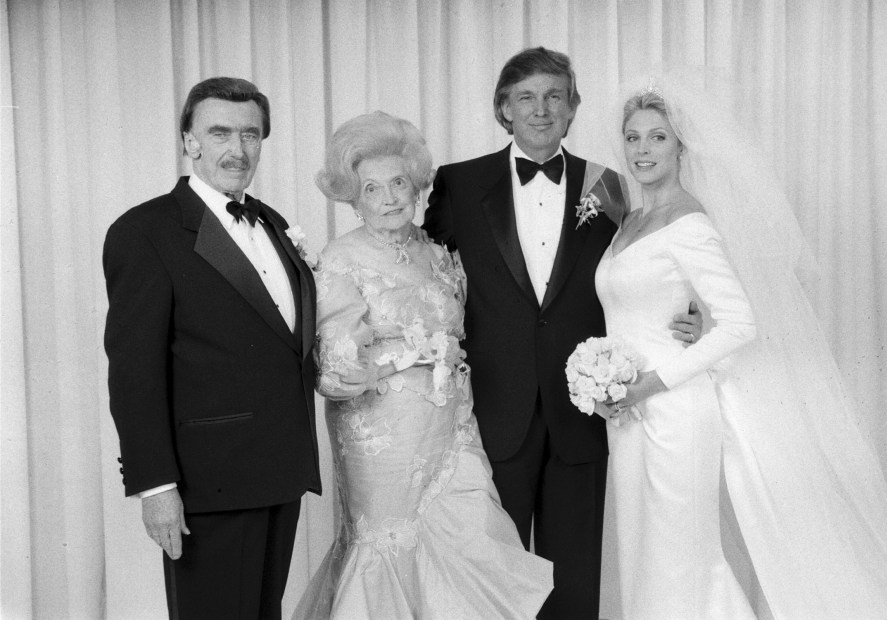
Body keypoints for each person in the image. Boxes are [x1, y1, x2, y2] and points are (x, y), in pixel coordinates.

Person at [595, 75, 887, 618]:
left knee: (681, 557)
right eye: (634, 137)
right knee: (640, 551)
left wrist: (647, 384)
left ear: (682, 145)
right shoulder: (632, 221)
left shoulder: (690, 221)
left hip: (673, 408)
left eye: (658, 137)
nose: (643, 150)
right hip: (626, 414)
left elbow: (740, 324)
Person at [423, 47, 702, 619]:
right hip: (493, 411)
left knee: (574, 578)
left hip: (587, 410)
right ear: (504, 110)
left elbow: (650, 264)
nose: (542, 109)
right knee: (492, 575)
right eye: (526, 98)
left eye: (555, 96)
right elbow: (425, 276)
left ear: (574, 108)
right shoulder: (457, 183)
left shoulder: (612, 188)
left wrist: (693, 308)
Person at [293, 111, 553, 619]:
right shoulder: (342, 259)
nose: (389, 198)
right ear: (353, 195)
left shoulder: (437, 253)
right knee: (391, 546)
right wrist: (406, 357)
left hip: (451, 427)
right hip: (382, 434)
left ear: (416, 185)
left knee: (473, 532)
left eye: (398, 183)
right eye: (372, 188)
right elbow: (333, 368)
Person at [103, 77, 322, 619]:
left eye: (250, 134)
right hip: (208, 482)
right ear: (189, 140)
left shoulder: (270, 220)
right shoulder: (145, 231)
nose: (237, 149)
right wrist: (155, 486)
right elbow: (134, 373)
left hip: (279, 472)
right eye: (220, 132)